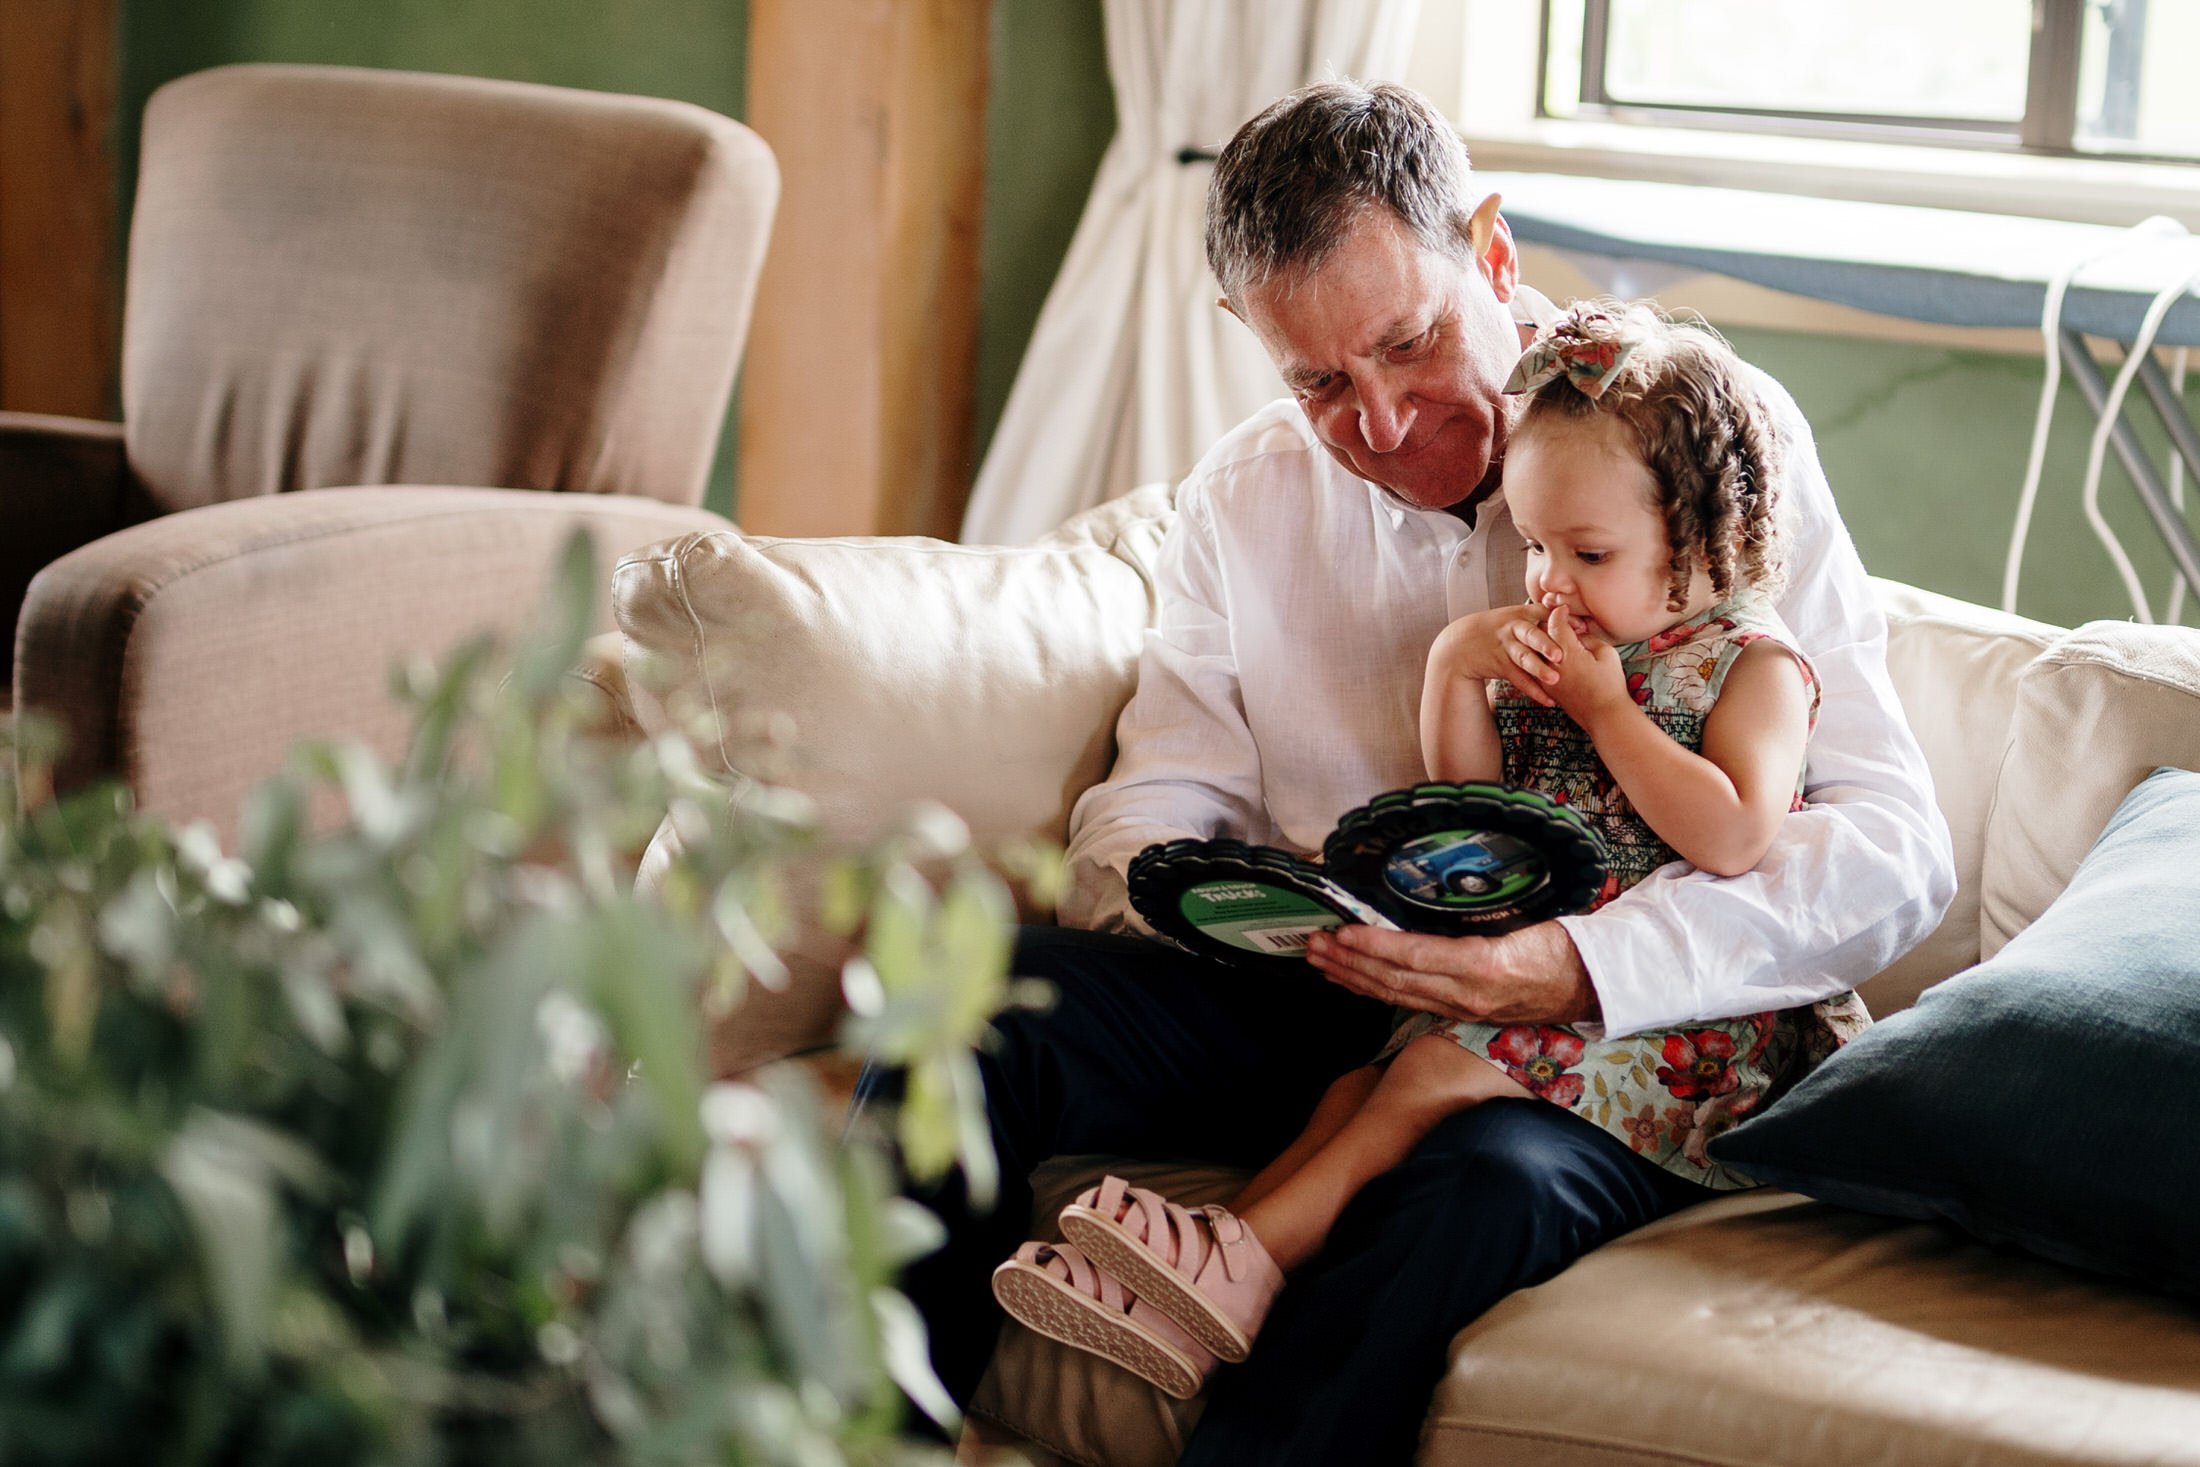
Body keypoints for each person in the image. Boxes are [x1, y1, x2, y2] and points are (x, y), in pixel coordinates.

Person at [866, 80, 1953, 1466]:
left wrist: (1574, 964)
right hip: (1323, 988)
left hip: (1608, 1029)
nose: (1378, 422)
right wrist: (1209, 902)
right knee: (955, 1013)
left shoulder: (1691, 436)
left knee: (1471, 1186)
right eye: (1320, 380)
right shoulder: (1242, 500)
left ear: (1491, 253)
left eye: (1412, 340)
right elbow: (1152, 801)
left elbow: (1891, 845)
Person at [990, 297, 1874, 1400]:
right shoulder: (1584, 642)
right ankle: (1205, 1291)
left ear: (1698, 542)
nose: (1548, 579)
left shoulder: (1753, 665)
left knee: (1425, 1073)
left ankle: (1241, 1252)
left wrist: (1610, 718)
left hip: (1692, 1030)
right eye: (1539, 545)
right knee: (1356, 1085)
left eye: (1585, 551)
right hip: (1506, 995)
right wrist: (1453, 668)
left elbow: (1737, 834)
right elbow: (1479, 809)